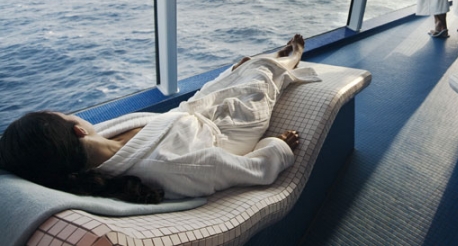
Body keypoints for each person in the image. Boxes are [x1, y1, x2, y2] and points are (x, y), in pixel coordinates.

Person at [0, 34, 319, 203]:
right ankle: (288, 59)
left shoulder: (100, 141)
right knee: (260, 77)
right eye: (68, 115)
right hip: (229, 131)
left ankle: (253, 66)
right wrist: (276, 149)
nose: (75, 115)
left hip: (189, 114)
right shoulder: (167, 166)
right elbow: (244, 170)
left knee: (238, 69)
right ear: (78, 132)